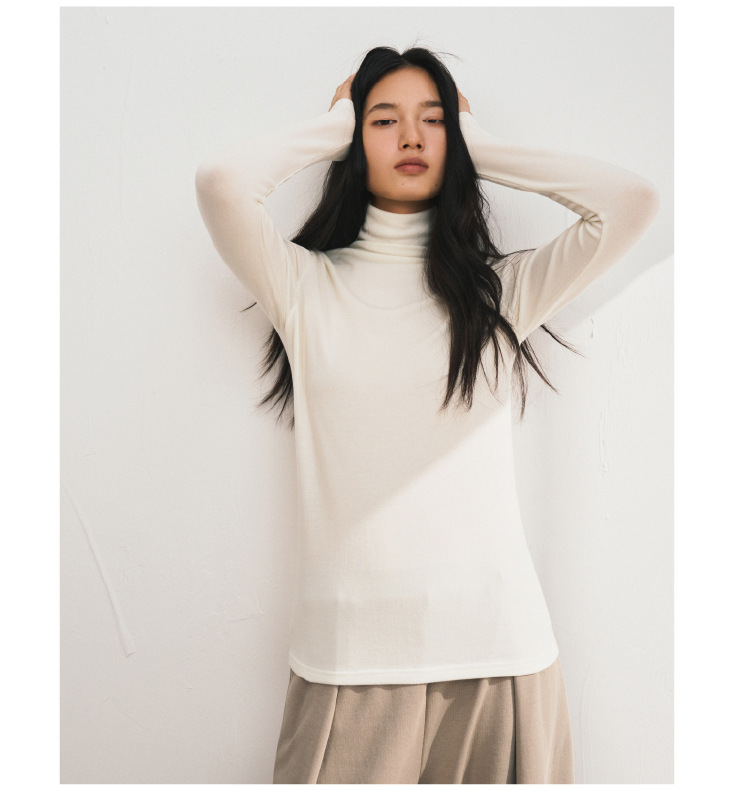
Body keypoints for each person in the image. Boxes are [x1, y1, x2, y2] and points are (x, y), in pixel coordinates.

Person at [195, 46, 659, 785]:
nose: (411, 137)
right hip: (347, 663)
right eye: (384, 120)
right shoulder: (304, 287)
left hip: (501, 656)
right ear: (353, 140)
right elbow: (221, 184)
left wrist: (481, 146)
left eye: (433, 121)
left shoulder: (500, 293)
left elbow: (632, 201)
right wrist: (337, 122)